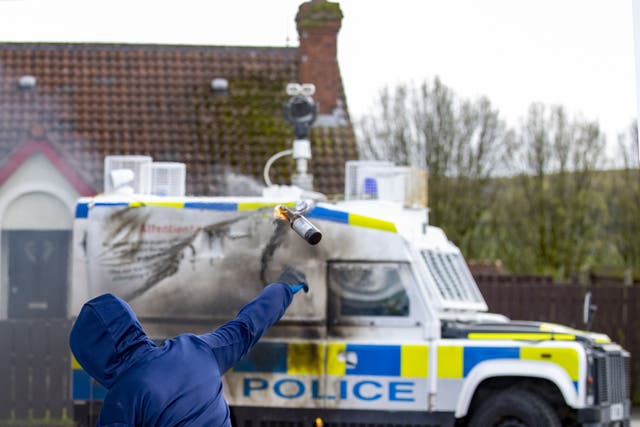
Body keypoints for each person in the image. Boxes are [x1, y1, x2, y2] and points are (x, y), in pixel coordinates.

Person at [69, 267, 308, 427]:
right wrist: (283, 288)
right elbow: (247, 326)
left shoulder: (121, 402)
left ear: (92, 357)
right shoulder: (195, 350)